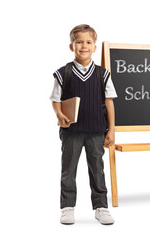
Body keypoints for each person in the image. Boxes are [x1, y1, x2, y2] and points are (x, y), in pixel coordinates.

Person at [50, 24, 117, 225]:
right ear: (72, 46)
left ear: (94, 47)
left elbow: (109, 101)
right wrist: (60, 114)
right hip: (72, 131)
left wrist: (111, 129)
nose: (84, 46)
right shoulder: (64, 73)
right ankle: (67, 207)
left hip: (97, 130)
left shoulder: (102, 74)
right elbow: (55, 99)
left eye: (88, 42)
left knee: (97, 168)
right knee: (68, 168)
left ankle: (101, 207)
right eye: (79, 42)